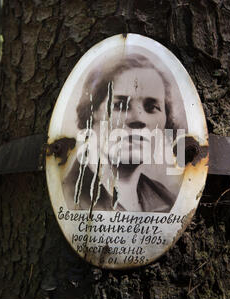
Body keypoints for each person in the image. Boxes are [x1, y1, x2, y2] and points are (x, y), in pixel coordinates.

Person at [63, 53, 183, 212]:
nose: (139, 119)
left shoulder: (167, 200)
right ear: (92, 113)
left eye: (151, 107)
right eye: (120, 105)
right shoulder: (69, 196)